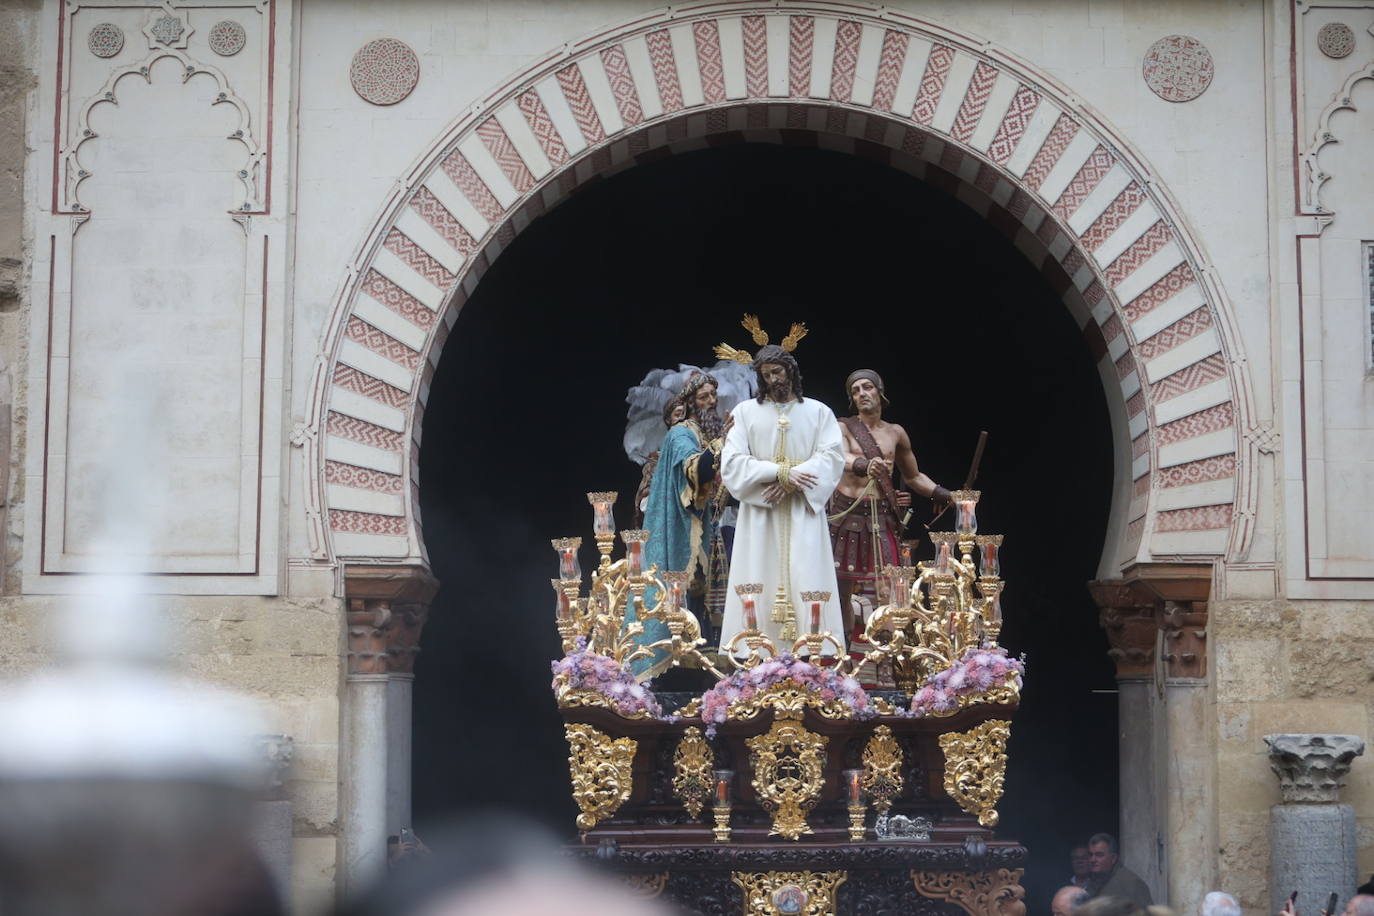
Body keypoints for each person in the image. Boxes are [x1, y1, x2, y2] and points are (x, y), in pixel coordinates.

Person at [720, 345, 845, 651]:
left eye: (777, 371)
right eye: (766, 375)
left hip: (802, 509)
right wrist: (778, 472)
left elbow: (831, 457)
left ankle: (811, 651)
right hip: (761, 512)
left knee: (807, 572)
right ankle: (755, 652)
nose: (773, 379)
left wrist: (791, 482)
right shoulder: (744, 412)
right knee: (757, 574)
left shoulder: (818, 412)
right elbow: (732, 462)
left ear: (791, 370)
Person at [828, 368, 951, 636]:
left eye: (867, 387)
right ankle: (845, 658)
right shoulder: (843, 428)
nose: (862, 394)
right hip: (845, 516)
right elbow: (838, 457)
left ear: (879, 391)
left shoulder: (896, 433)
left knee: (889, 589)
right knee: (840, 592)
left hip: (882, 517)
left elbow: (914, 476)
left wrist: (943, 494)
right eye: (856, 390)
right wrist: (862, 463)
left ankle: (888, 662)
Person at [630, 371, 729, 678]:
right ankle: (682, 664)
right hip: (686, 529)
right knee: (689, 590)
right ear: (689, 403)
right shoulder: (682, 434)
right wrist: (721, 445)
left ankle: (703, 658)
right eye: (703, 397)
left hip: (708, 526)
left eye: (713, 395)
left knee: (706, 594)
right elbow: (693, 471)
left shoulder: (704, 436)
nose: (711, 402)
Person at [1085, 833, 1152, 907]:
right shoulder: (1092, 881)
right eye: (1090, 855)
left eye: (1099, 855)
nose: (1093, 860)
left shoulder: (1132, 883)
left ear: (1113, 858)